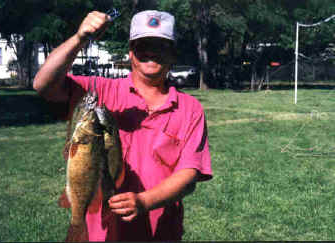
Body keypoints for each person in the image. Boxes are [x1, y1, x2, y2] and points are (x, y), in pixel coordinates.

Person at [34, 9, 212, 241]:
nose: (151, 52)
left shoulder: (190, 109)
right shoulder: (101, 91)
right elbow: (43, 84)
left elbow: (189, 174)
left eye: (160, 45)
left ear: (173, 53)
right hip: (101, 232)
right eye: (143, 45)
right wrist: (79, 38)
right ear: (130, 52)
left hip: (161, 232)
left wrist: (144, 201)